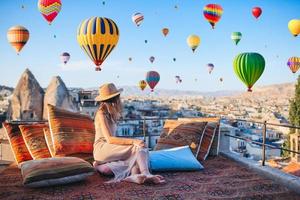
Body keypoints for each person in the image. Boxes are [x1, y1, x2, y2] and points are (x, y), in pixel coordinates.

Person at [93, 83, 165, 184]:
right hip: (102, 148)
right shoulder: (101, 113)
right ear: (116, 98)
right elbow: (109, 139)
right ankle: (146, 173)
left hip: (108, 149)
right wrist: (134, 141)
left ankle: (134, 175)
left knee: (132, 160)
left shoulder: (111, 113)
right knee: (139, 147)